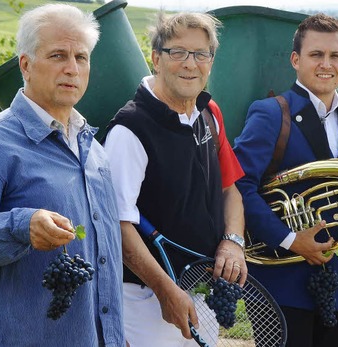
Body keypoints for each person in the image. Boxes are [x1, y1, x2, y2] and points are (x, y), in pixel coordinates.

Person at [0, 4, 125, 346]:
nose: (72, 68)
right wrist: (21, 226)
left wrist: (112, 334)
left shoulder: (94, 150)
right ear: (25, 65)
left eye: (81, 57)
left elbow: (104, 257)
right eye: (58, 55)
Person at [103, 12, 246, 346]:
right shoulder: (129, 130)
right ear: (156, 58)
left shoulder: (210, 113)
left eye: (200, 54)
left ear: (210, 61)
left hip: (202, 288)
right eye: (177, 52)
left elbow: (231, 190)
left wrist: (233, 242)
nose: (189, 64)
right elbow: (117, 225)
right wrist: (165, 291)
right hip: (144, 298)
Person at [233, 13, 338, 347]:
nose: (326, 64)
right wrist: (288, 239)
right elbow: (239, 185)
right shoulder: (270, 113)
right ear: (296, 60)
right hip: (281, 282)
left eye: (336, 56)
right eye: (316, 55)